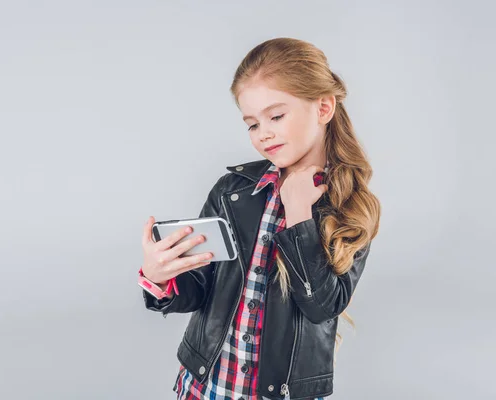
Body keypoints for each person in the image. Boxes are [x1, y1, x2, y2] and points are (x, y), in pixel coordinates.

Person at [139, 37, 381, 400]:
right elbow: (200, 291)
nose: (263, 133)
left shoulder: (351, 206)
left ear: (324, 107)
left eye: (276, 116)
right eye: (252, 124)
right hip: (206, 388)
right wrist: (160, 277)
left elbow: (322, 306)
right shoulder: (231, 192)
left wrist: (299, 213)